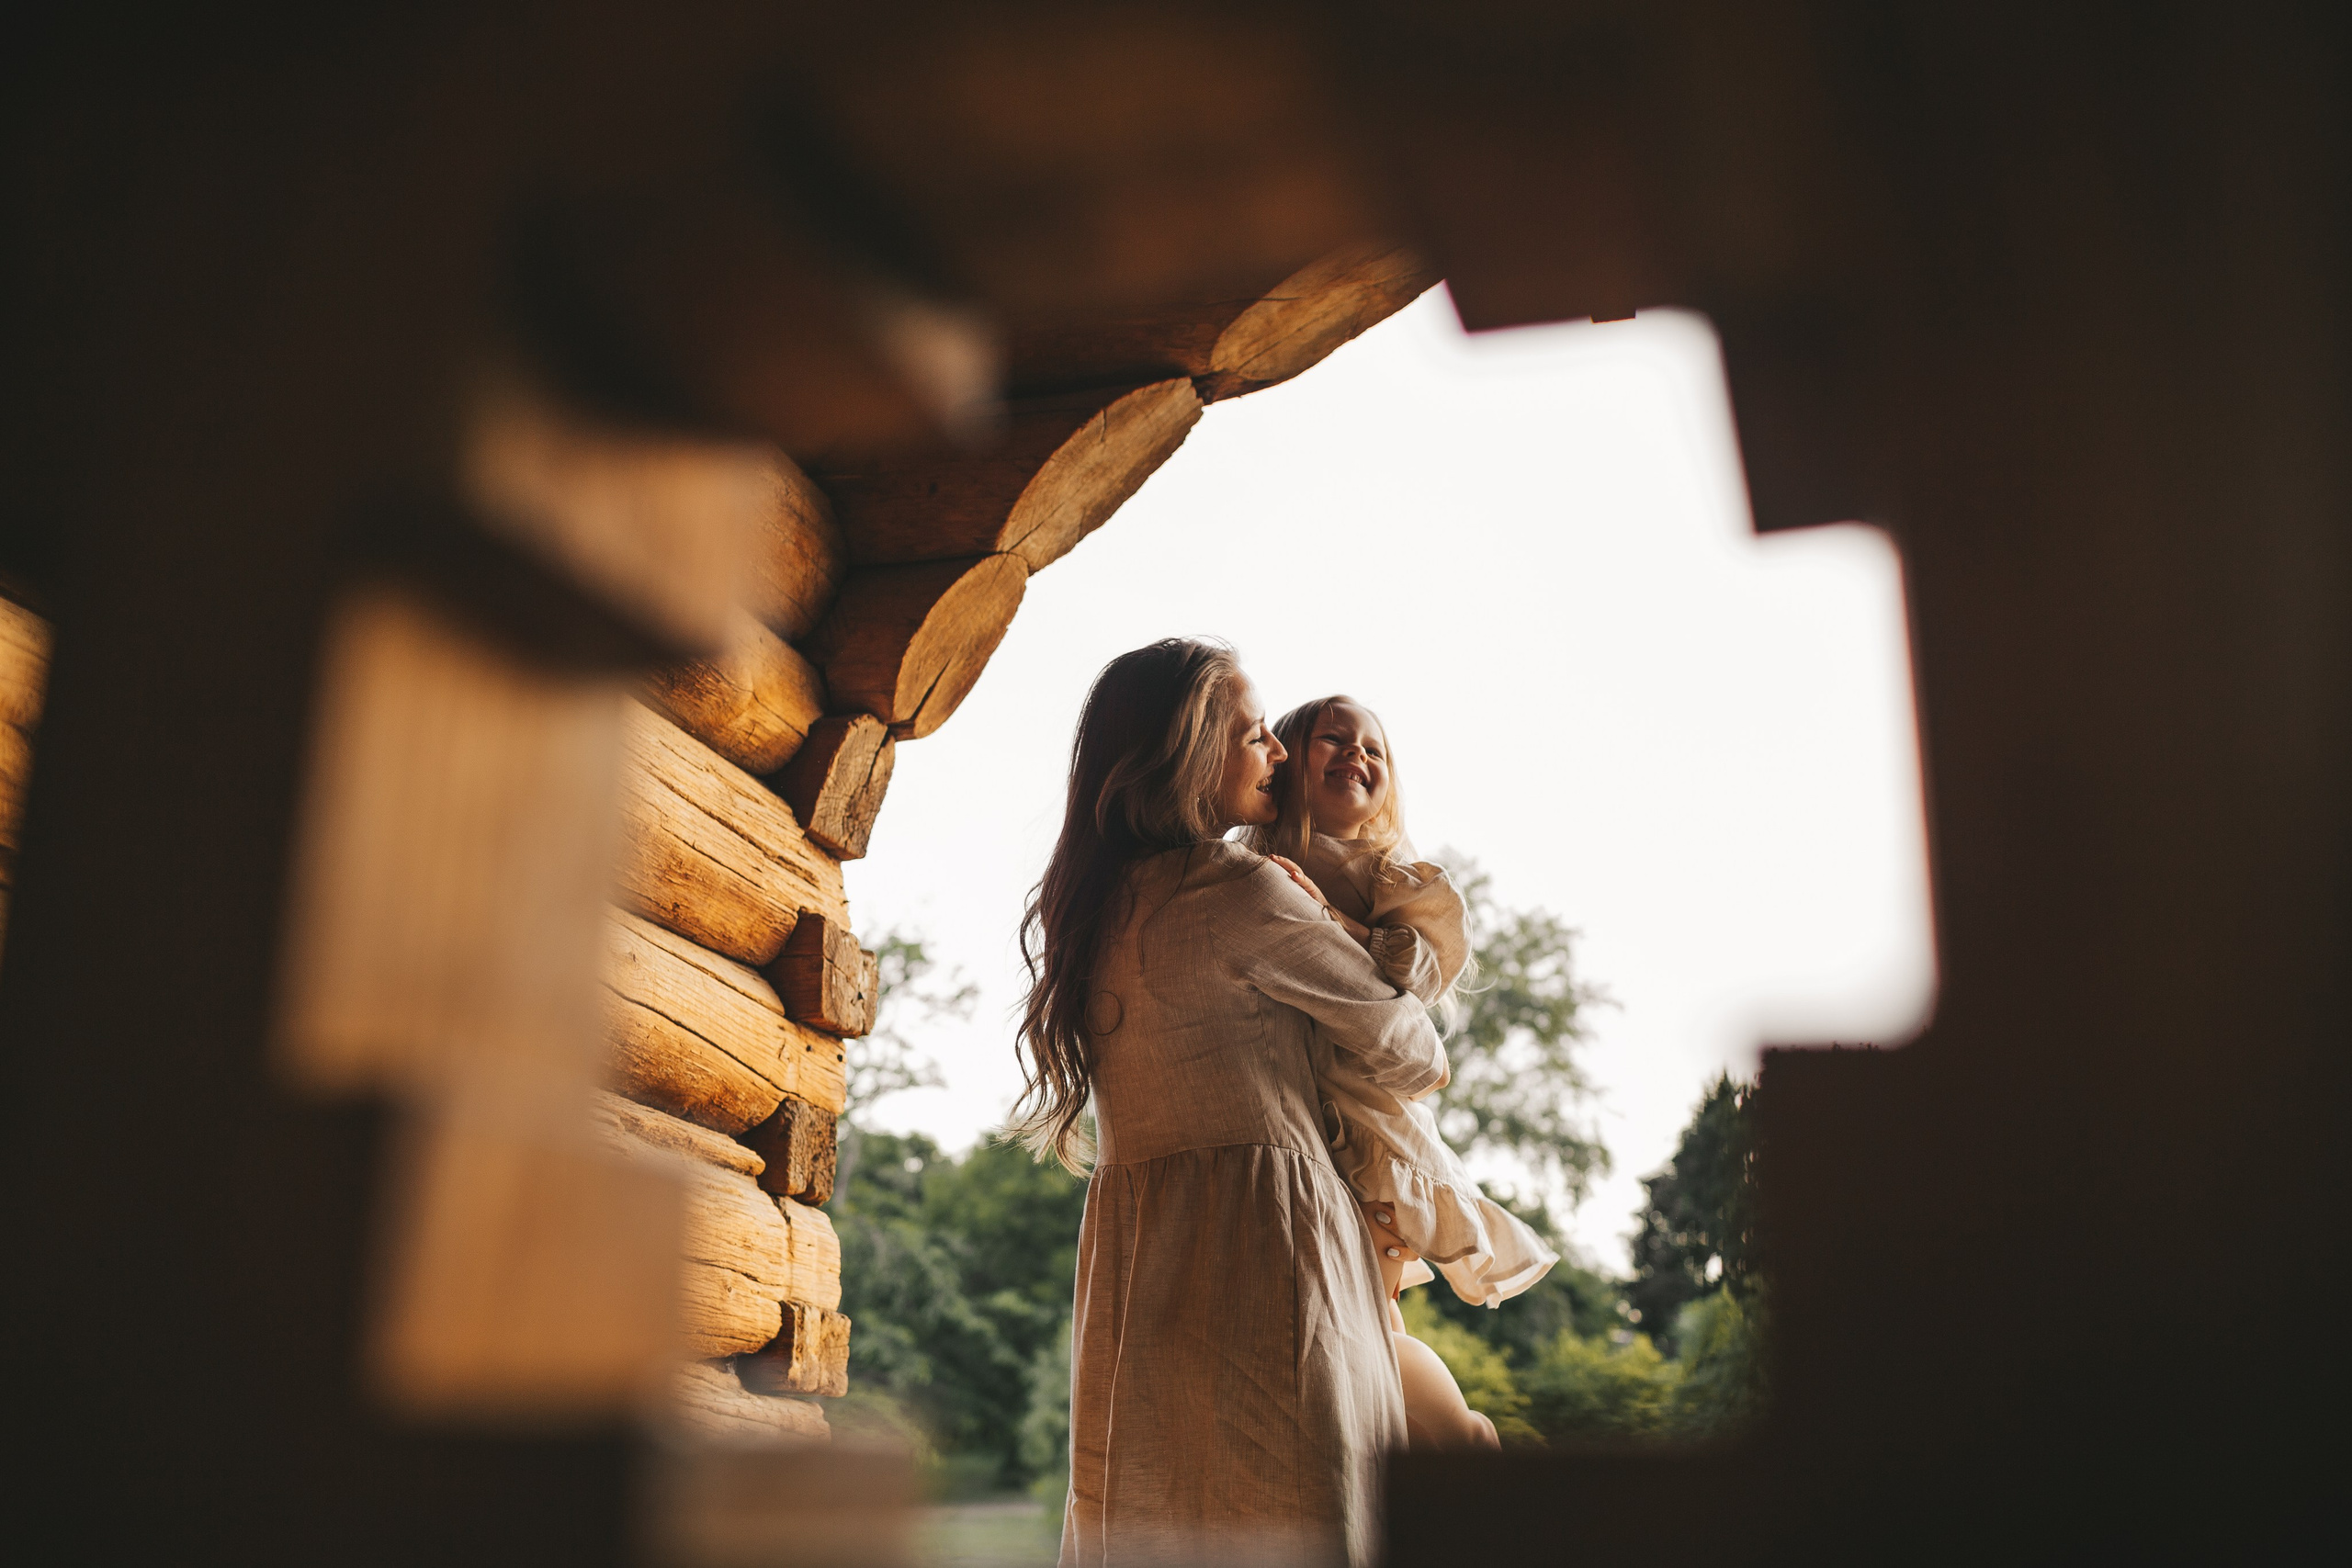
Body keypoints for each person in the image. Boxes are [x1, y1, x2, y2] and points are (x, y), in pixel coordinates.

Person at [1018, 639, 1444, 1568]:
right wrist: (1332, 922)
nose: (1279, 754)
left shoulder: (1087, 907)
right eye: (1255, 736)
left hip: (1143, 1267)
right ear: (1190, 752)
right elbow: (1414, 1053)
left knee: (1163, 1511)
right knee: (1298, 1509)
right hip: (1270, 1249)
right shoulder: (1240, 890)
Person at [1244, 694, 1559, 1450]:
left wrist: (1333, 916)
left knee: (1363, 1327)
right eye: (1334, 739)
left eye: (1374, 749)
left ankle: (1462, 1438)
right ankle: (1443, 1453)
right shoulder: (1248, 864)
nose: (1357, 754)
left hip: (1368, 1124)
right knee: (1354, 1326)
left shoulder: (1388, 873)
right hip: (1302, 1119)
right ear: (1283, 762)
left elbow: (1416, 968)